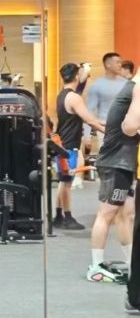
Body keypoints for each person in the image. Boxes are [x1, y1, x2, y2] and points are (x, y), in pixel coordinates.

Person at [87, 77, 140, 284]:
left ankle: (131, 263)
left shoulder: (131, 89)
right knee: (106, 214)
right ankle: (96, 267)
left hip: (124, 162)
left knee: (126, 215)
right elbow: (130, 127)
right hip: (115, 162)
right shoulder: (136, 88)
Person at [52, 63, 105, 230]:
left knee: (63, 181)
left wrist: (106, 123)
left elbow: (89, 119)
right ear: (76, 76)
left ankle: (58, 216)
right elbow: (89, 120)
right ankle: (67, 217)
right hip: (69, 146)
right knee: (66, 183)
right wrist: (109, 131)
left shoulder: (62, 95)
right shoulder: (74, 98)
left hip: (63, 144)